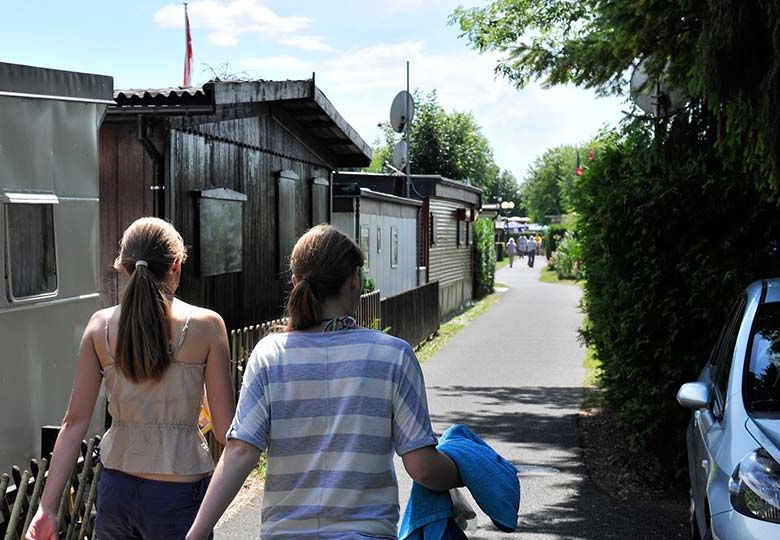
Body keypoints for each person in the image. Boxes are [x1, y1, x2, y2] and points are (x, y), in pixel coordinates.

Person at [185, 225, 460, 540]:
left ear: (295, 283)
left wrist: (197, 533)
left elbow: (240, 452)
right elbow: (423, 467)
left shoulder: (270, 355)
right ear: (355, 278)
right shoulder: (392, 355)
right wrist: (465, 467)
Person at [27, 218, 235, 540]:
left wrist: (47, 509)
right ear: (176, 265)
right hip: (179, 494)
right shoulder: (207, 327)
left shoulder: (99, 327)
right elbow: (225, 430)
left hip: (116, 491)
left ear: (124, 268)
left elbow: (74, 423)